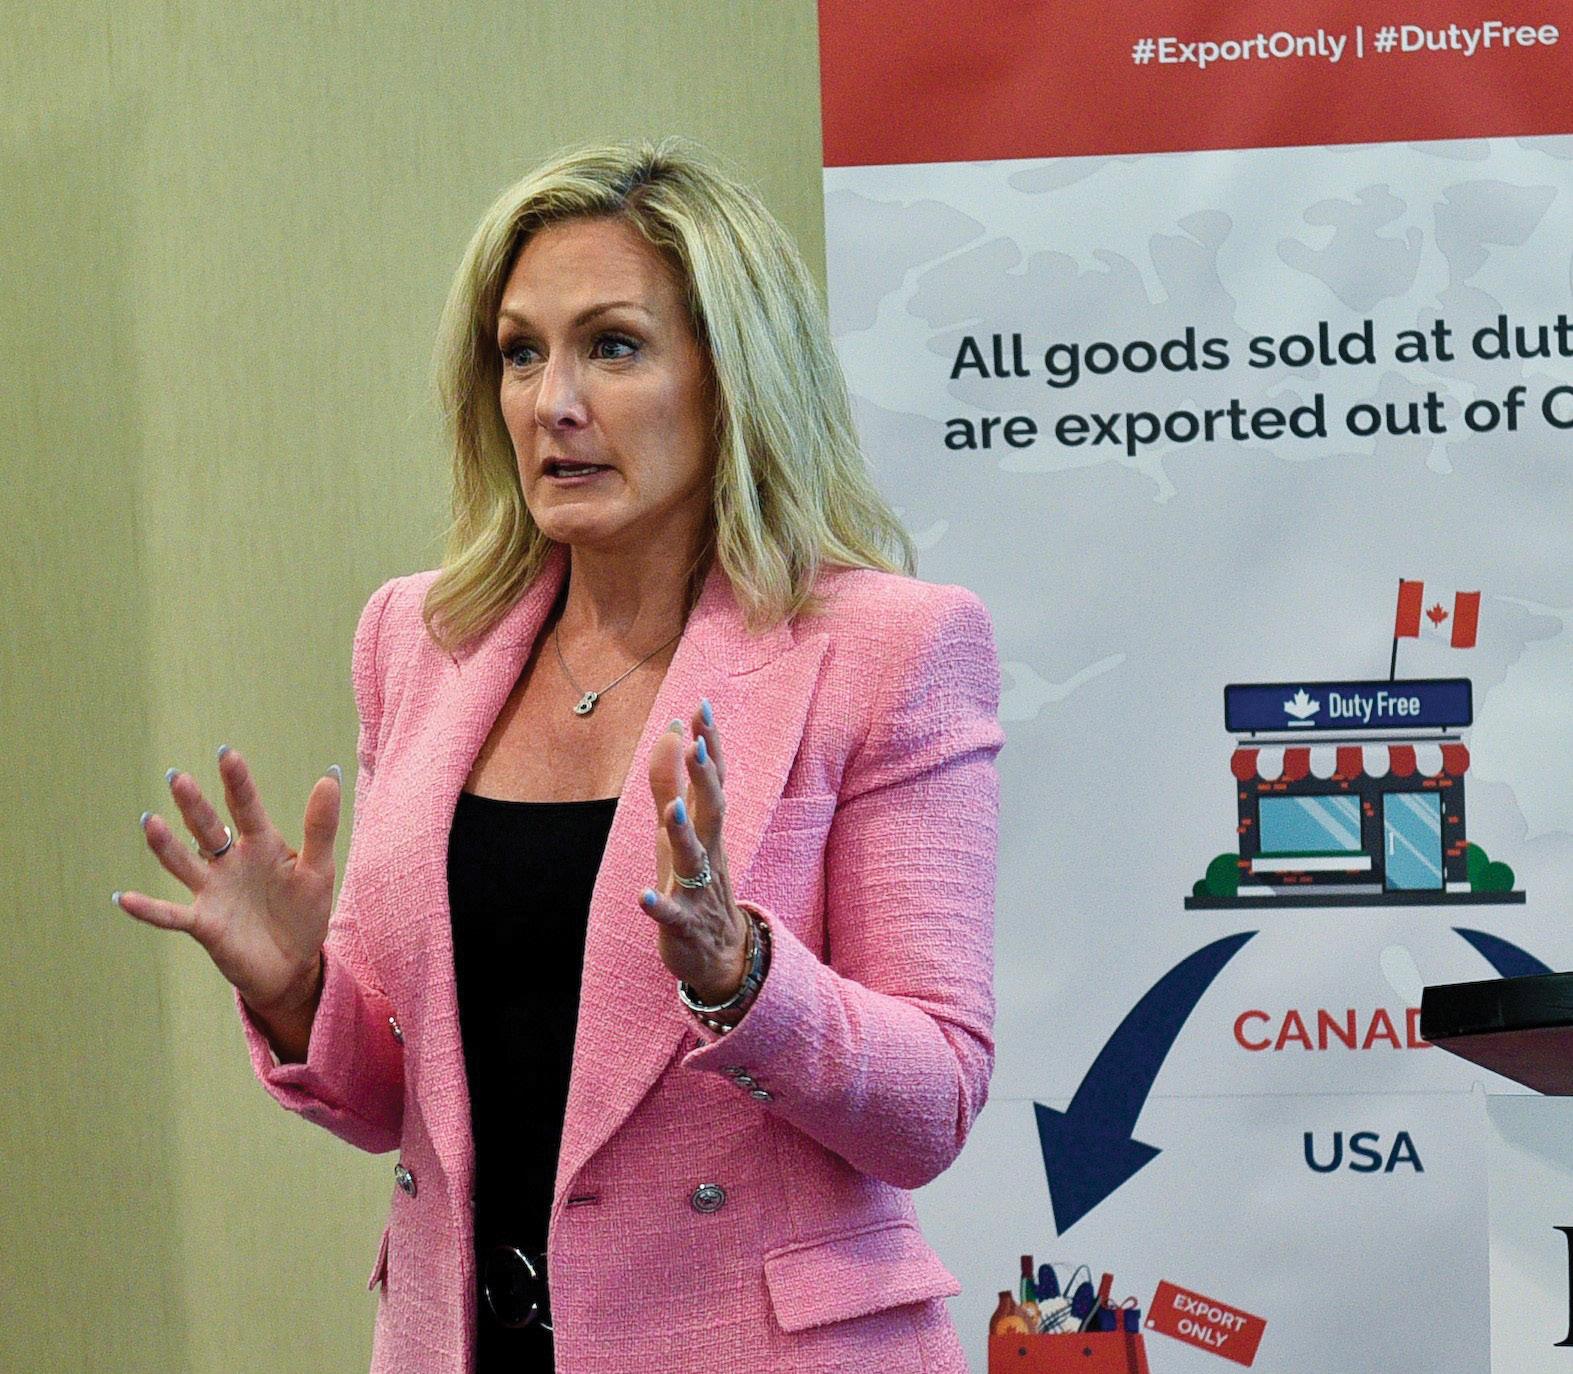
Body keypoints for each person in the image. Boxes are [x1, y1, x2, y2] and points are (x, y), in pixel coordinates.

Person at [114, 137, 1004, 1374]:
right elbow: (392, 1107)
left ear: (734, 378)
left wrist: (743, 975)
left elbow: (932, 1107)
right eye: (521, 353)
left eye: (614, 347)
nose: (552, 402)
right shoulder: (421, 638)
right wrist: (298, 992)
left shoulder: (890, 648)